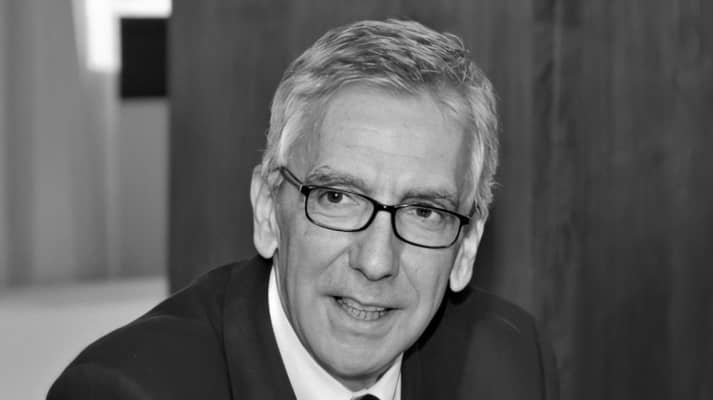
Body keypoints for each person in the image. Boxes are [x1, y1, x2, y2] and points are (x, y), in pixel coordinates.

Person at [48, 19, 558, 400]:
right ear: (269, 211)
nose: (376, 261)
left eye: (424, 212)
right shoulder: (125, 391)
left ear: (466, 248)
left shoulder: (510, 364)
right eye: (338, 198)